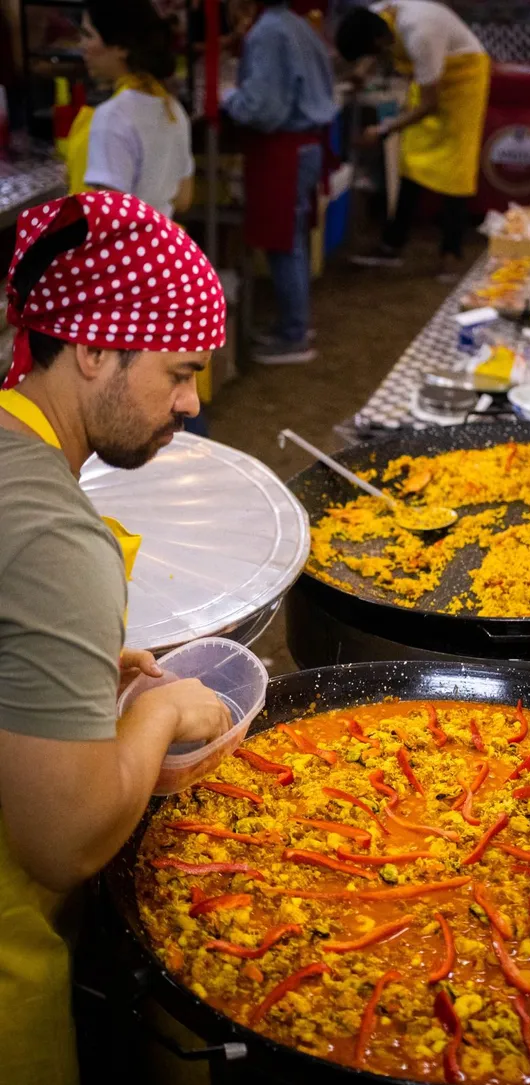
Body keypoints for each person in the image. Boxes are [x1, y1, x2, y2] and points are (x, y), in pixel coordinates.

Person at [0, 190, 231, 1085]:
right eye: (178, 371)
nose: (192, 402)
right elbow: (65, 841)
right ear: (93, 347)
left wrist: (78, 669)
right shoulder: (55, 535)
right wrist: (160, 711)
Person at [335, 1, 491, 278]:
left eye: (374, 52)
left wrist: (383, 130)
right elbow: (375, 48)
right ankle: (392, 244)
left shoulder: (420, 34)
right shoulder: (378, 14)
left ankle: (451, 253)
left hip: (463, 76)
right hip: (430, 76)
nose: (379, 57)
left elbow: (430, 103)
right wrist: (361, 73)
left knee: (455, 169)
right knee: (410, 160)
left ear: (380, 40)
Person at [222, 0, 335, 365]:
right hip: (305, 144)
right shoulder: (296, 24)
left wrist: (227, 96)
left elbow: (262, 109)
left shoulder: (269, 32)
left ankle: (294, 335)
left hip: (283, 148)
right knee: (294, 238)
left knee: (284, 243)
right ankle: (295, 324)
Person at [66, 0, 194, 219]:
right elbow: (183, 198)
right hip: (160, 247)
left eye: (88, 36)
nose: (82, 46)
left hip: (123, 252)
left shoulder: (113, 117)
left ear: (121, 48)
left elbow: (110, 222)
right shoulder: (173, 109)